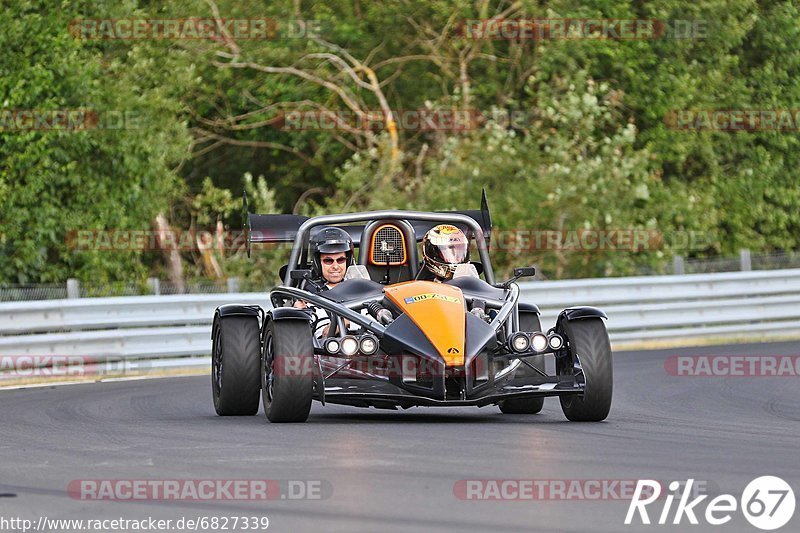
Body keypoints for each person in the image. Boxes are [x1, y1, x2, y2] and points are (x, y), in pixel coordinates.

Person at [294, 227, 354, 336]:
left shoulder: (361, 287)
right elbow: (321, 334)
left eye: (340, 260)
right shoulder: (309, 296)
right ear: (317, 263)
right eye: (328, 261)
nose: (335, 266)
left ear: (348, 261)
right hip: (330, 348)